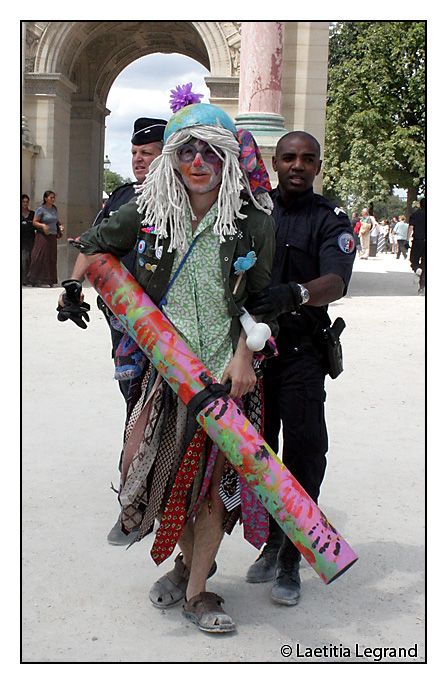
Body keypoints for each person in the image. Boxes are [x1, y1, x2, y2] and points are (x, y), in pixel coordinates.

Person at [56, 89, 276, 634]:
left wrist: (245, 355)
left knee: (209, 490)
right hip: (167, 374)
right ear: (173, 157)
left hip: (227, 376)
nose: (198, 162)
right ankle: (186, 564)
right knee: (157, 476)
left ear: (228, 157)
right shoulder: (149, 211)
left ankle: (198, 591)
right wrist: (72, 285)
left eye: (210, 152)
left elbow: (263, 301)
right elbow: (95, 241)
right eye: (186, 151)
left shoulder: (255, 222)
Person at [244, 130, 356, 607]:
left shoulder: (330, 219)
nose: (297, 165)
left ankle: (293, 555)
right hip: (255, 357)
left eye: (307, 159)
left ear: (317, 166)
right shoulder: (254, 210)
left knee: (306, 453)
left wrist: (299, 293)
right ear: (275, 160)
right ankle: (271, 540)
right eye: (289, 157)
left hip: (302, 356)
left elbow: (338, 280)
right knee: (259, 454)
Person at [95, 117, 168, 547]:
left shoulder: (180, 201)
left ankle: (155, 495)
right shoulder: (122, 198)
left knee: (164, 411)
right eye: (136, 154)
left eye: (149, 153)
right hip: (124, 329)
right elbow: (95, 247)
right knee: (134, 408)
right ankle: (135, 499)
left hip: (169, 330)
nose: (140, 161)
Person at [27, 190, 64, 287]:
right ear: (45, 198)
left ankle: (50, 280)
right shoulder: (41, 209)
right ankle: (34, 279)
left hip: (52, 236)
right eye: (51, 197)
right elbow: (35, 222)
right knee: (40, 256)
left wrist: (60, 226)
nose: (53, 199)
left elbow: (56, 220)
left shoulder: (54, 209)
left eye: (54, 197)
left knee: (51, 257)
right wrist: (43, 226)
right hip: (42, 236)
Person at [409, 197, 426, 295]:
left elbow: (411, 227)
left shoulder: (416, 214)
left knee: (413, 259)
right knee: (425, 264)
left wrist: (407, 239)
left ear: (420, 204)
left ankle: (416, 268)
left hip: (418, 240)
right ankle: (422, 287)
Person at [21, 194, 35, 285]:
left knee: (30, 259)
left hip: (31, 239)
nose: (25, 204)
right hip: (21, 239)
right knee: (24, 259)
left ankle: (29, 279)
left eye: (27, 202)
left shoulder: (32, 214)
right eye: (23, 202)